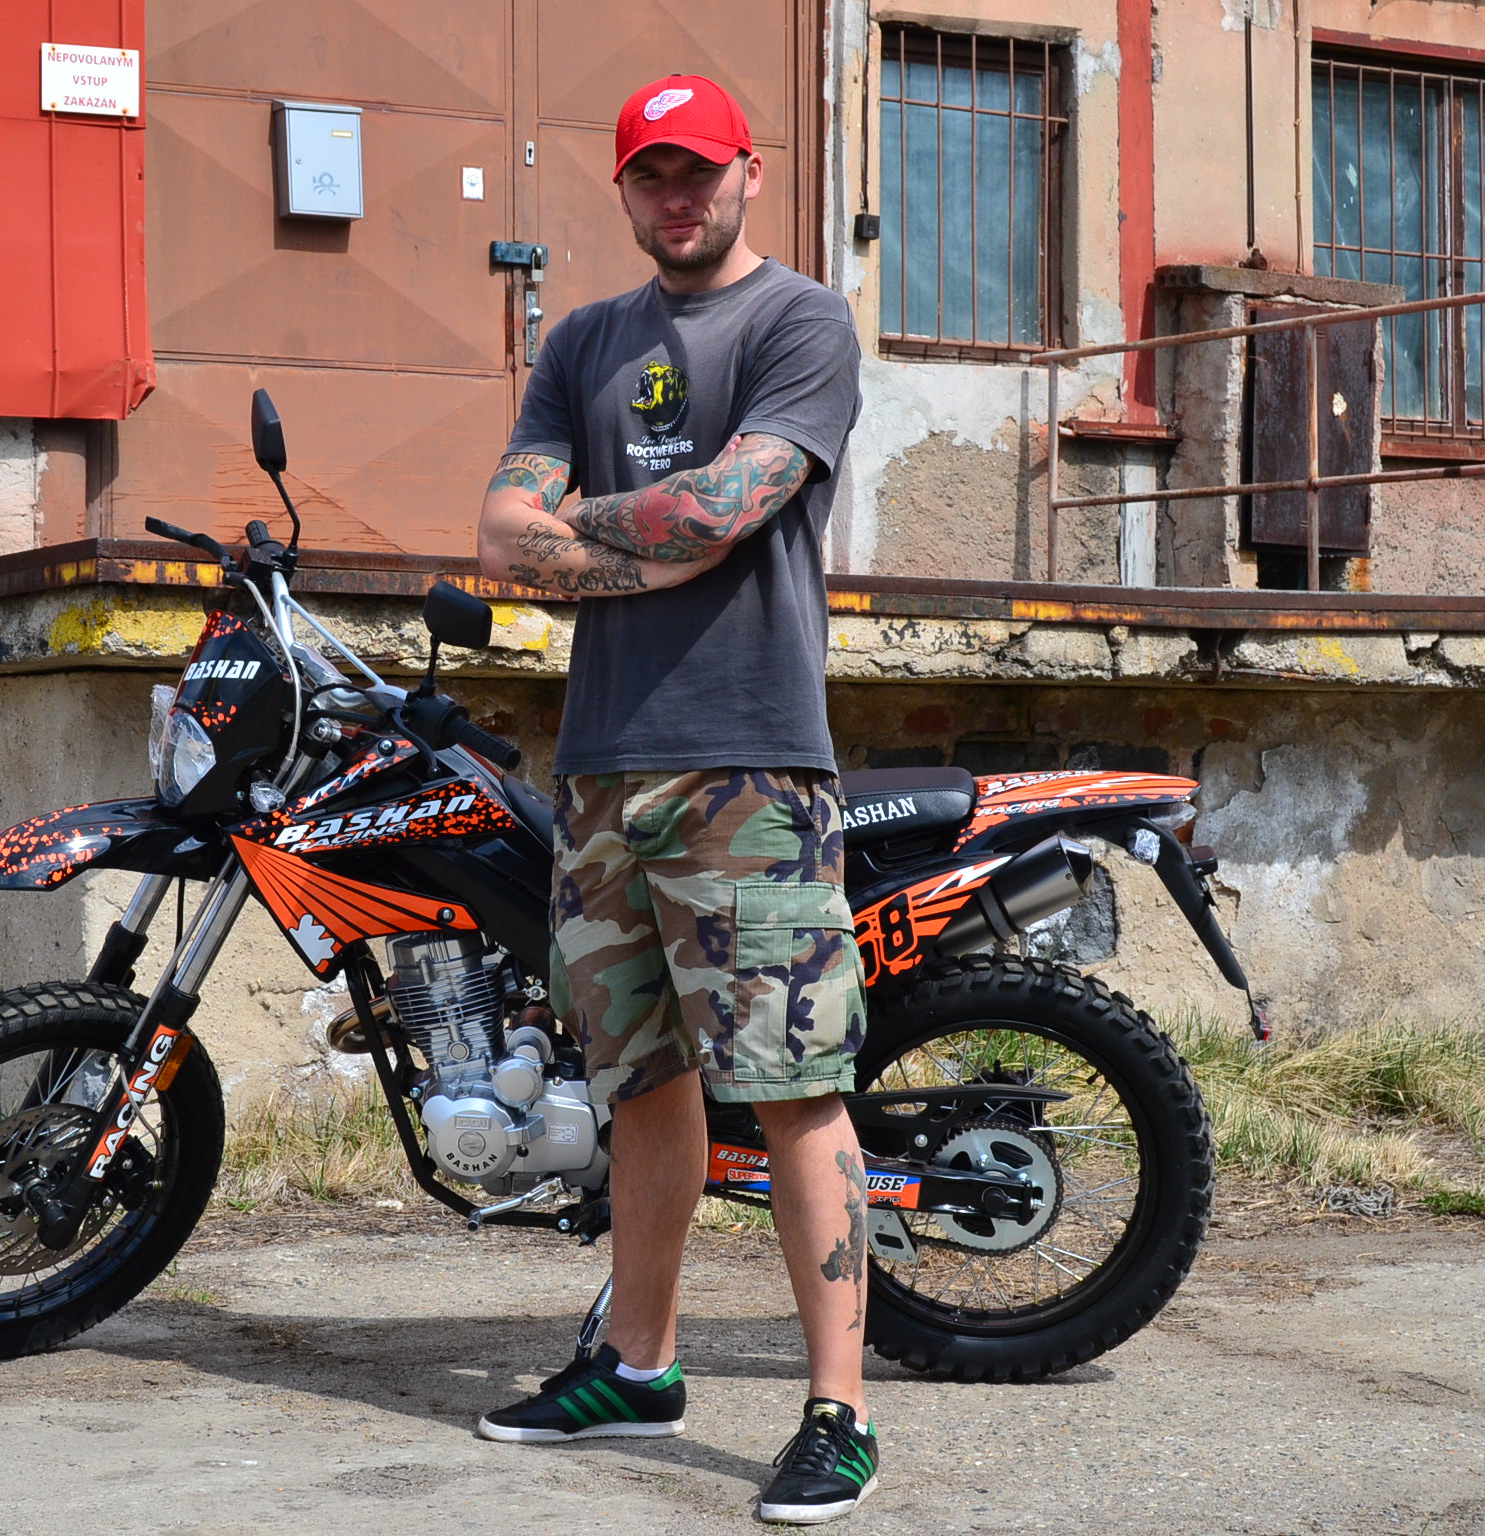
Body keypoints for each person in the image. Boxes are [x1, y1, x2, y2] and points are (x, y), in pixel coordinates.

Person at [469, 73, 875, 1526]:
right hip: (602, 767)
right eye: (652, 173)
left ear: (748, 171)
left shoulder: (800, 323)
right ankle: (638, 1367)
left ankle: (838, 1413)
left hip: (748, 761)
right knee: (638, 1085)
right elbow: (503, 539)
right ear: (626, 189)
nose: (678, 195)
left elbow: (731, 506)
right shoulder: (583, 341)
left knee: (792, 1089)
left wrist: (584, 529)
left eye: (700, 169)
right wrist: (649, 535)